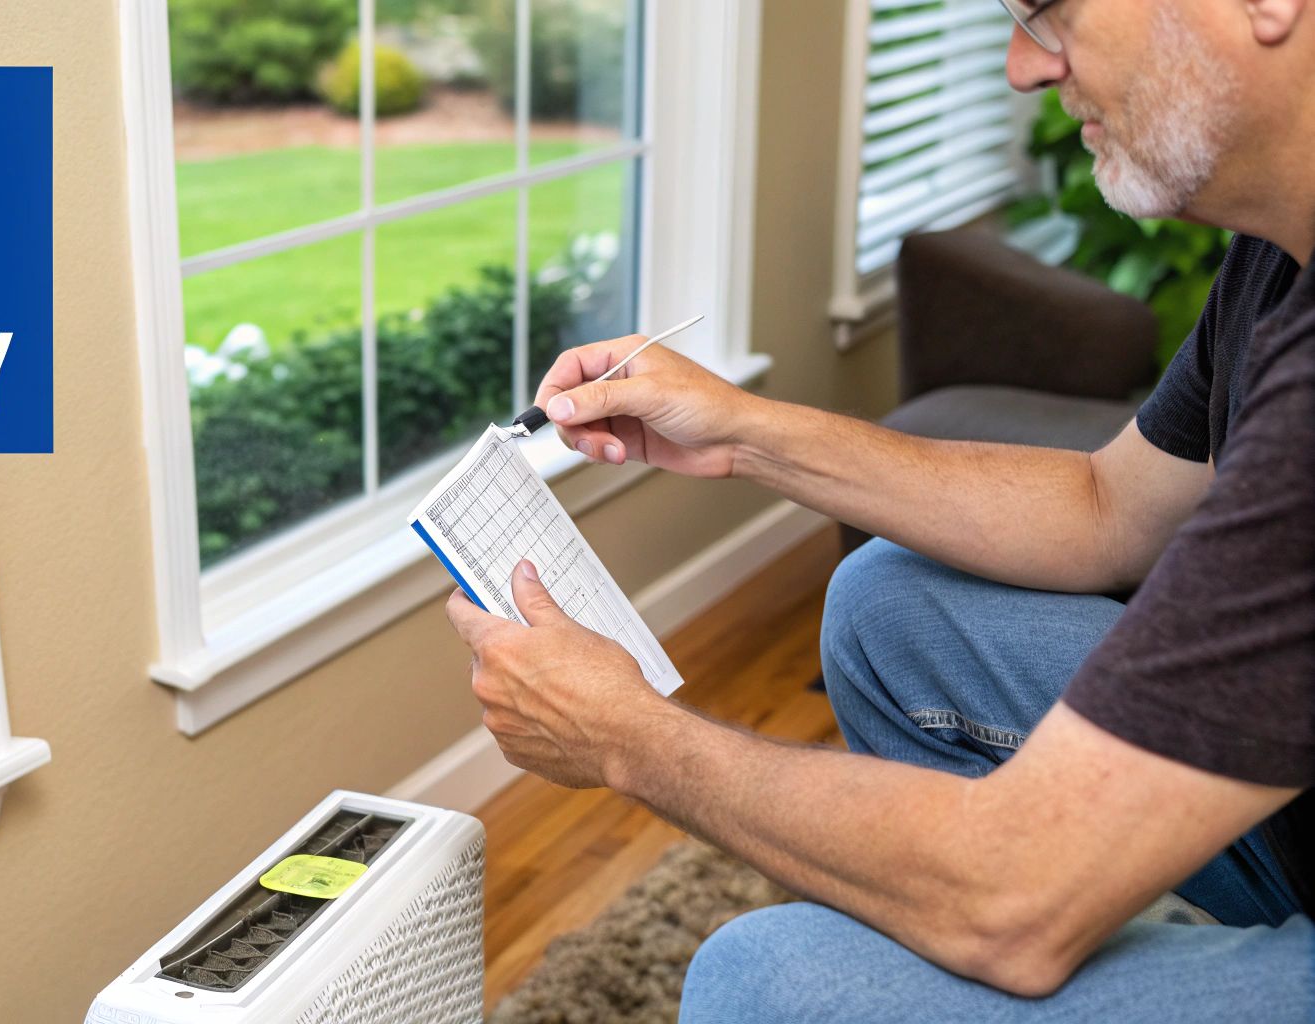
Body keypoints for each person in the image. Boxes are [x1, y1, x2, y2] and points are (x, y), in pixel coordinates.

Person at [441, 0, 1313, 1017]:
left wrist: (625, 736)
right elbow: (1105, 508)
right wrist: (743, 433)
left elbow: (1013, 894)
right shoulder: (1276, 250)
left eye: (1046, 9)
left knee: (766, 983)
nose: (1020, 68)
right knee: (887, 601)